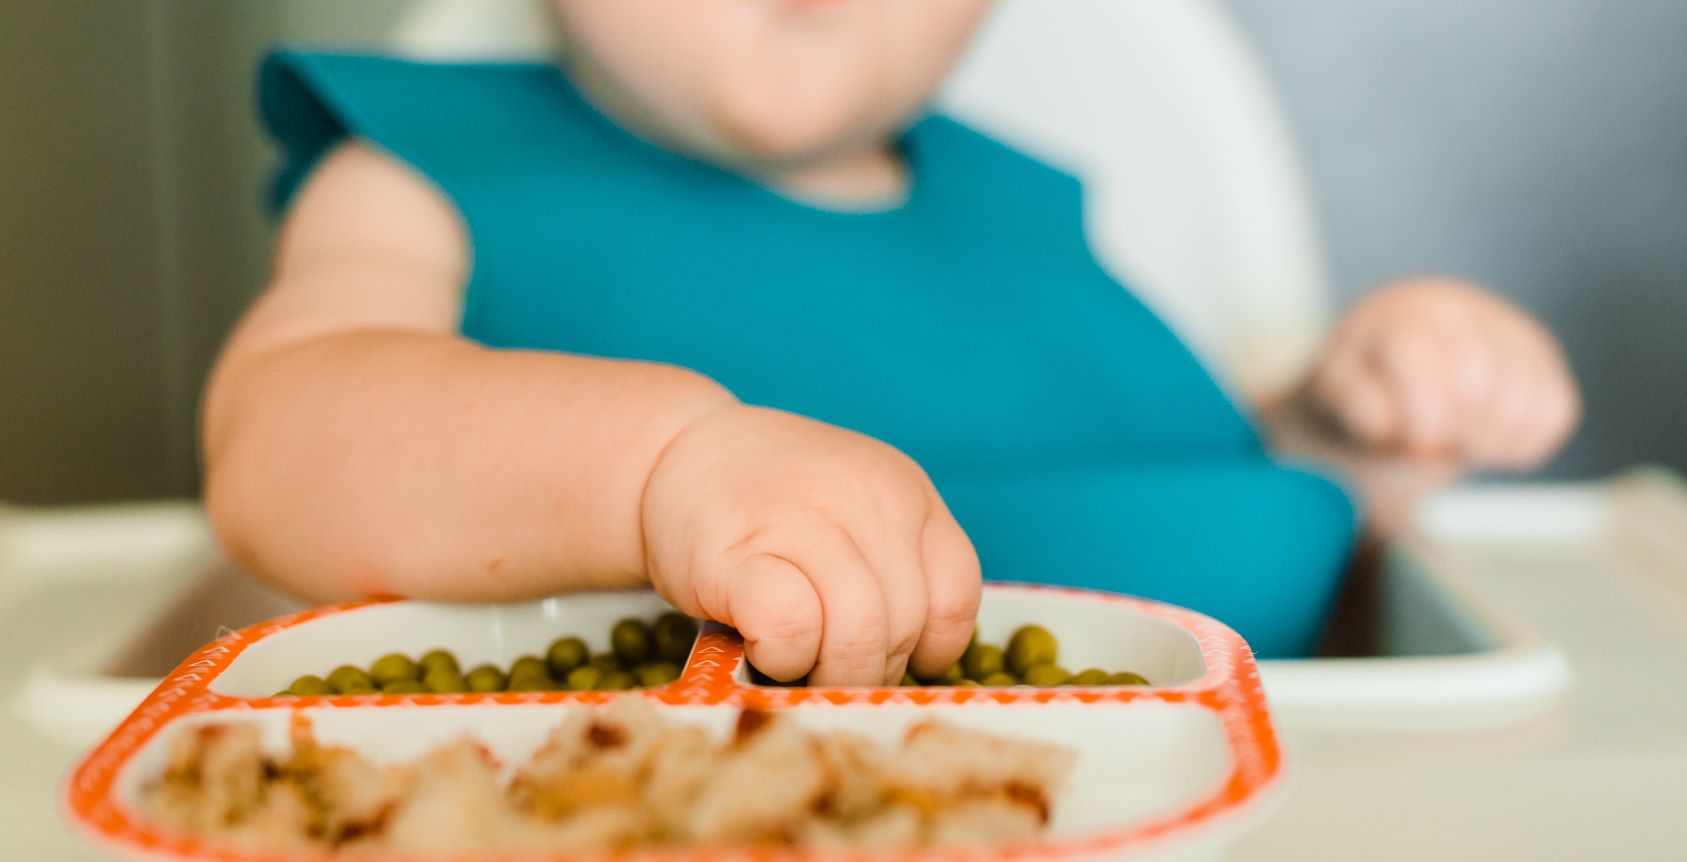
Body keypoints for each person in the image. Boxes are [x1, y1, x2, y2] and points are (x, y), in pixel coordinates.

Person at [204, 0, 1578, 683]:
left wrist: (1349, 441)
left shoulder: (1035, 213)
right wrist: (657, 473)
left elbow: (1185, 495)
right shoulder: (424, 172)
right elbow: (284, 433)